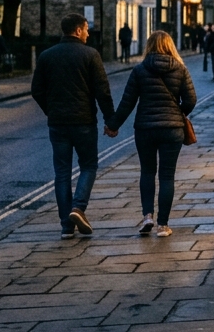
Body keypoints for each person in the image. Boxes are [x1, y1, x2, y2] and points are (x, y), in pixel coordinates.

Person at [31, 13, 115, 240]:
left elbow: (36, 90)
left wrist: (51, 110)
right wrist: (111, 120)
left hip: (58, 124)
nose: (88, 33)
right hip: (84, 122)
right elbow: (102, 92)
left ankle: (66, 227)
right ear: (78, 31)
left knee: (62, 173)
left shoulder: (47, 55)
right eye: (86, 29)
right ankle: (78, 208)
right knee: (88, 166)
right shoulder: (90, 55)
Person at [106, 31, 197, 238]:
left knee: (147, 172)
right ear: (170, 46)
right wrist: (178, 113)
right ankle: (163, 225)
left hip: (145, 129)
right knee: (167, 175)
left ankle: (147, 216)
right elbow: (191, 100)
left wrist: (113, 125)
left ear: (149, 46)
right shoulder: (180, 69)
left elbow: (127, 102)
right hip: (172, 130)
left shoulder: (139, 70)